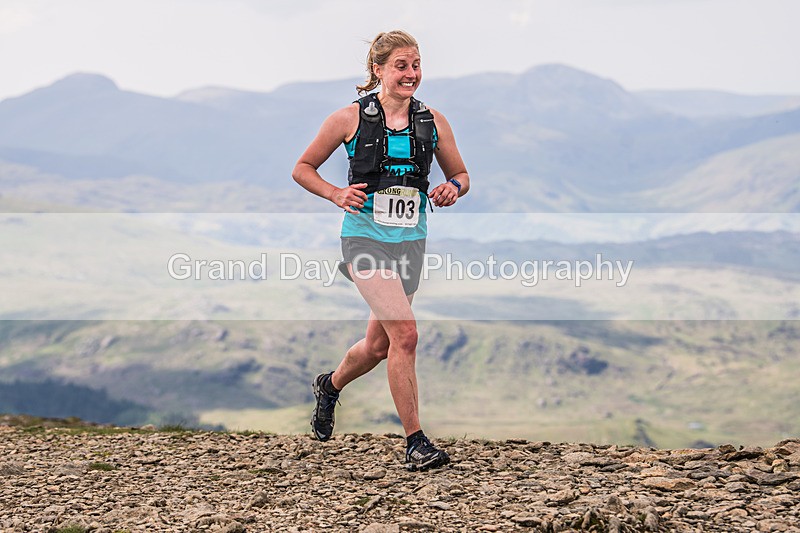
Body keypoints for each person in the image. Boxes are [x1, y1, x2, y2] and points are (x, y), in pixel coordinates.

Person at [292, 30, 470, 471]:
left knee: (377, 346)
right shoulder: (348, 119)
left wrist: (452, 188)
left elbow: (462, 175)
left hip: (411, 242)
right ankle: (416, 443)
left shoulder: (434, 120)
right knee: (405, 335)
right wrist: (334, 193)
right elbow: (302, 168)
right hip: (364, 239)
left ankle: (329, 385)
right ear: (379, 70)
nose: (411, 74)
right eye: (401, 66)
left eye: (416, 65)